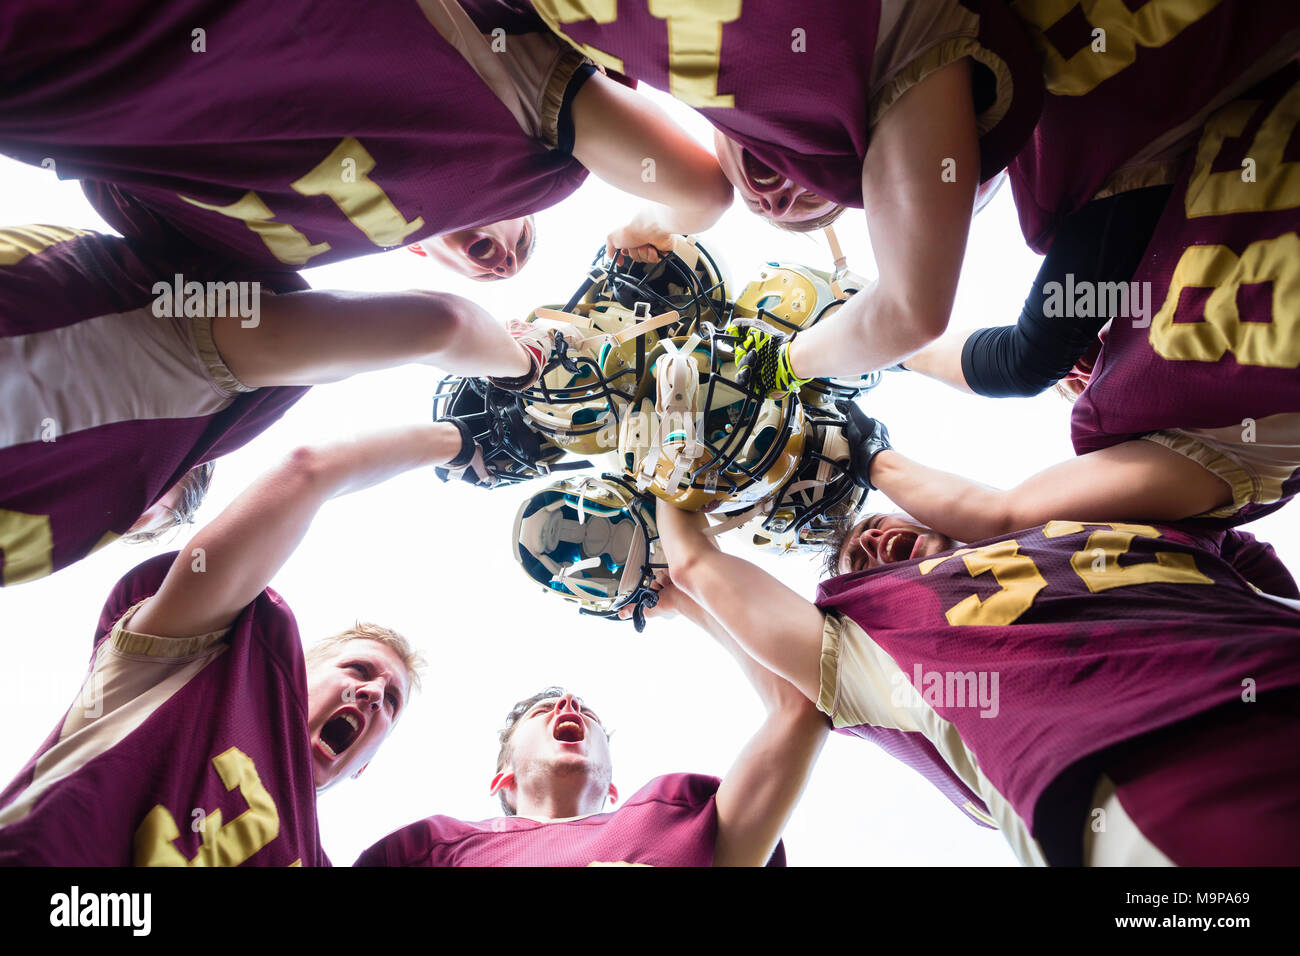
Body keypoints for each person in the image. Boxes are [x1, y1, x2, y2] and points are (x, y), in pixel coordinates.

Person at [652, 490, 1300, 866]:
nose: (875, 536)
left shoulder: (1087, 526)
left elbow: (1251, 559)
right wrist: (668, 459)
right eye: (858, 554)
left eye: (880, 522)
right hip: (1140, 780)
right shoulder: (866, 638)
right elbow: (699, 564)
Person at [0, 417, 510, 864]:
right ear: (296, 674)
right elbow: (309, 470)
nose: (374, 693)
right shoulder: (195, 663)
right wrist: (462, 441)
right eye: (357, 669)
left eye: (392, 700)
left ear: (365, 765)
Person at [0, 0, 732, 275]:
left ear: (417, 253)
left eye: (501, 266)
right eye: (525, 241)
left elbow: (108, 194)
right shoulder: (532, 152)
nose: (505, 261)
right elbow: (700, 188)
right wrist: (639, 228)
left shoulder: (266, 262)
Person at [531, 0, 1045, 387]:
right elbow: (912, 312)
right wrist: (779, 366)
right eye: (818, 196)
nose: (776, 204)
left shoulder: (633, 54)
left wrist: (638, 227)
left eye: (778, 210)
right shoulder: (891, 54)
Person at [0, 223, 535, 585]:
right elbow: (442, 326)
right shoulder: (179, 372)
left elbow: (441, 328)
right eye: (146, 506)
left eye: (134, 522)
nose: (131, 510)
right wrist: (528, 365)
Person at [355, 580, 829, 866]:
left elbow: (804, 702)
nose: (568, 705)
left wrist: (687, 599)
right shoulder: (432, 848)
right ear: (504, 778)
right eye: (544, 712)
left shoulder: (683, 817)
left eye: (589, 715)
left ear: (614, 788)